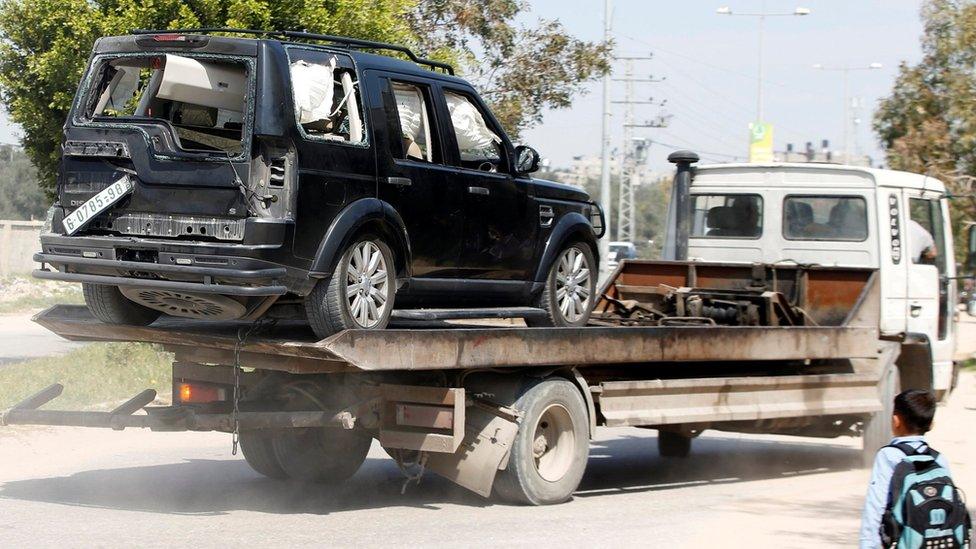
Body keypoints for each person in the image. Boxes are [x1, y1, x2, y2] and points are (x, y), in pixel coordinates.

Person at [858, 389, 949, 548]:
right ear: (931, 424)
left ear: (895, 421)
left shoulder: (888, 455)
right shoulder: (938, 459)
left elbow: (875, 505)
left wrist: (868, 544)